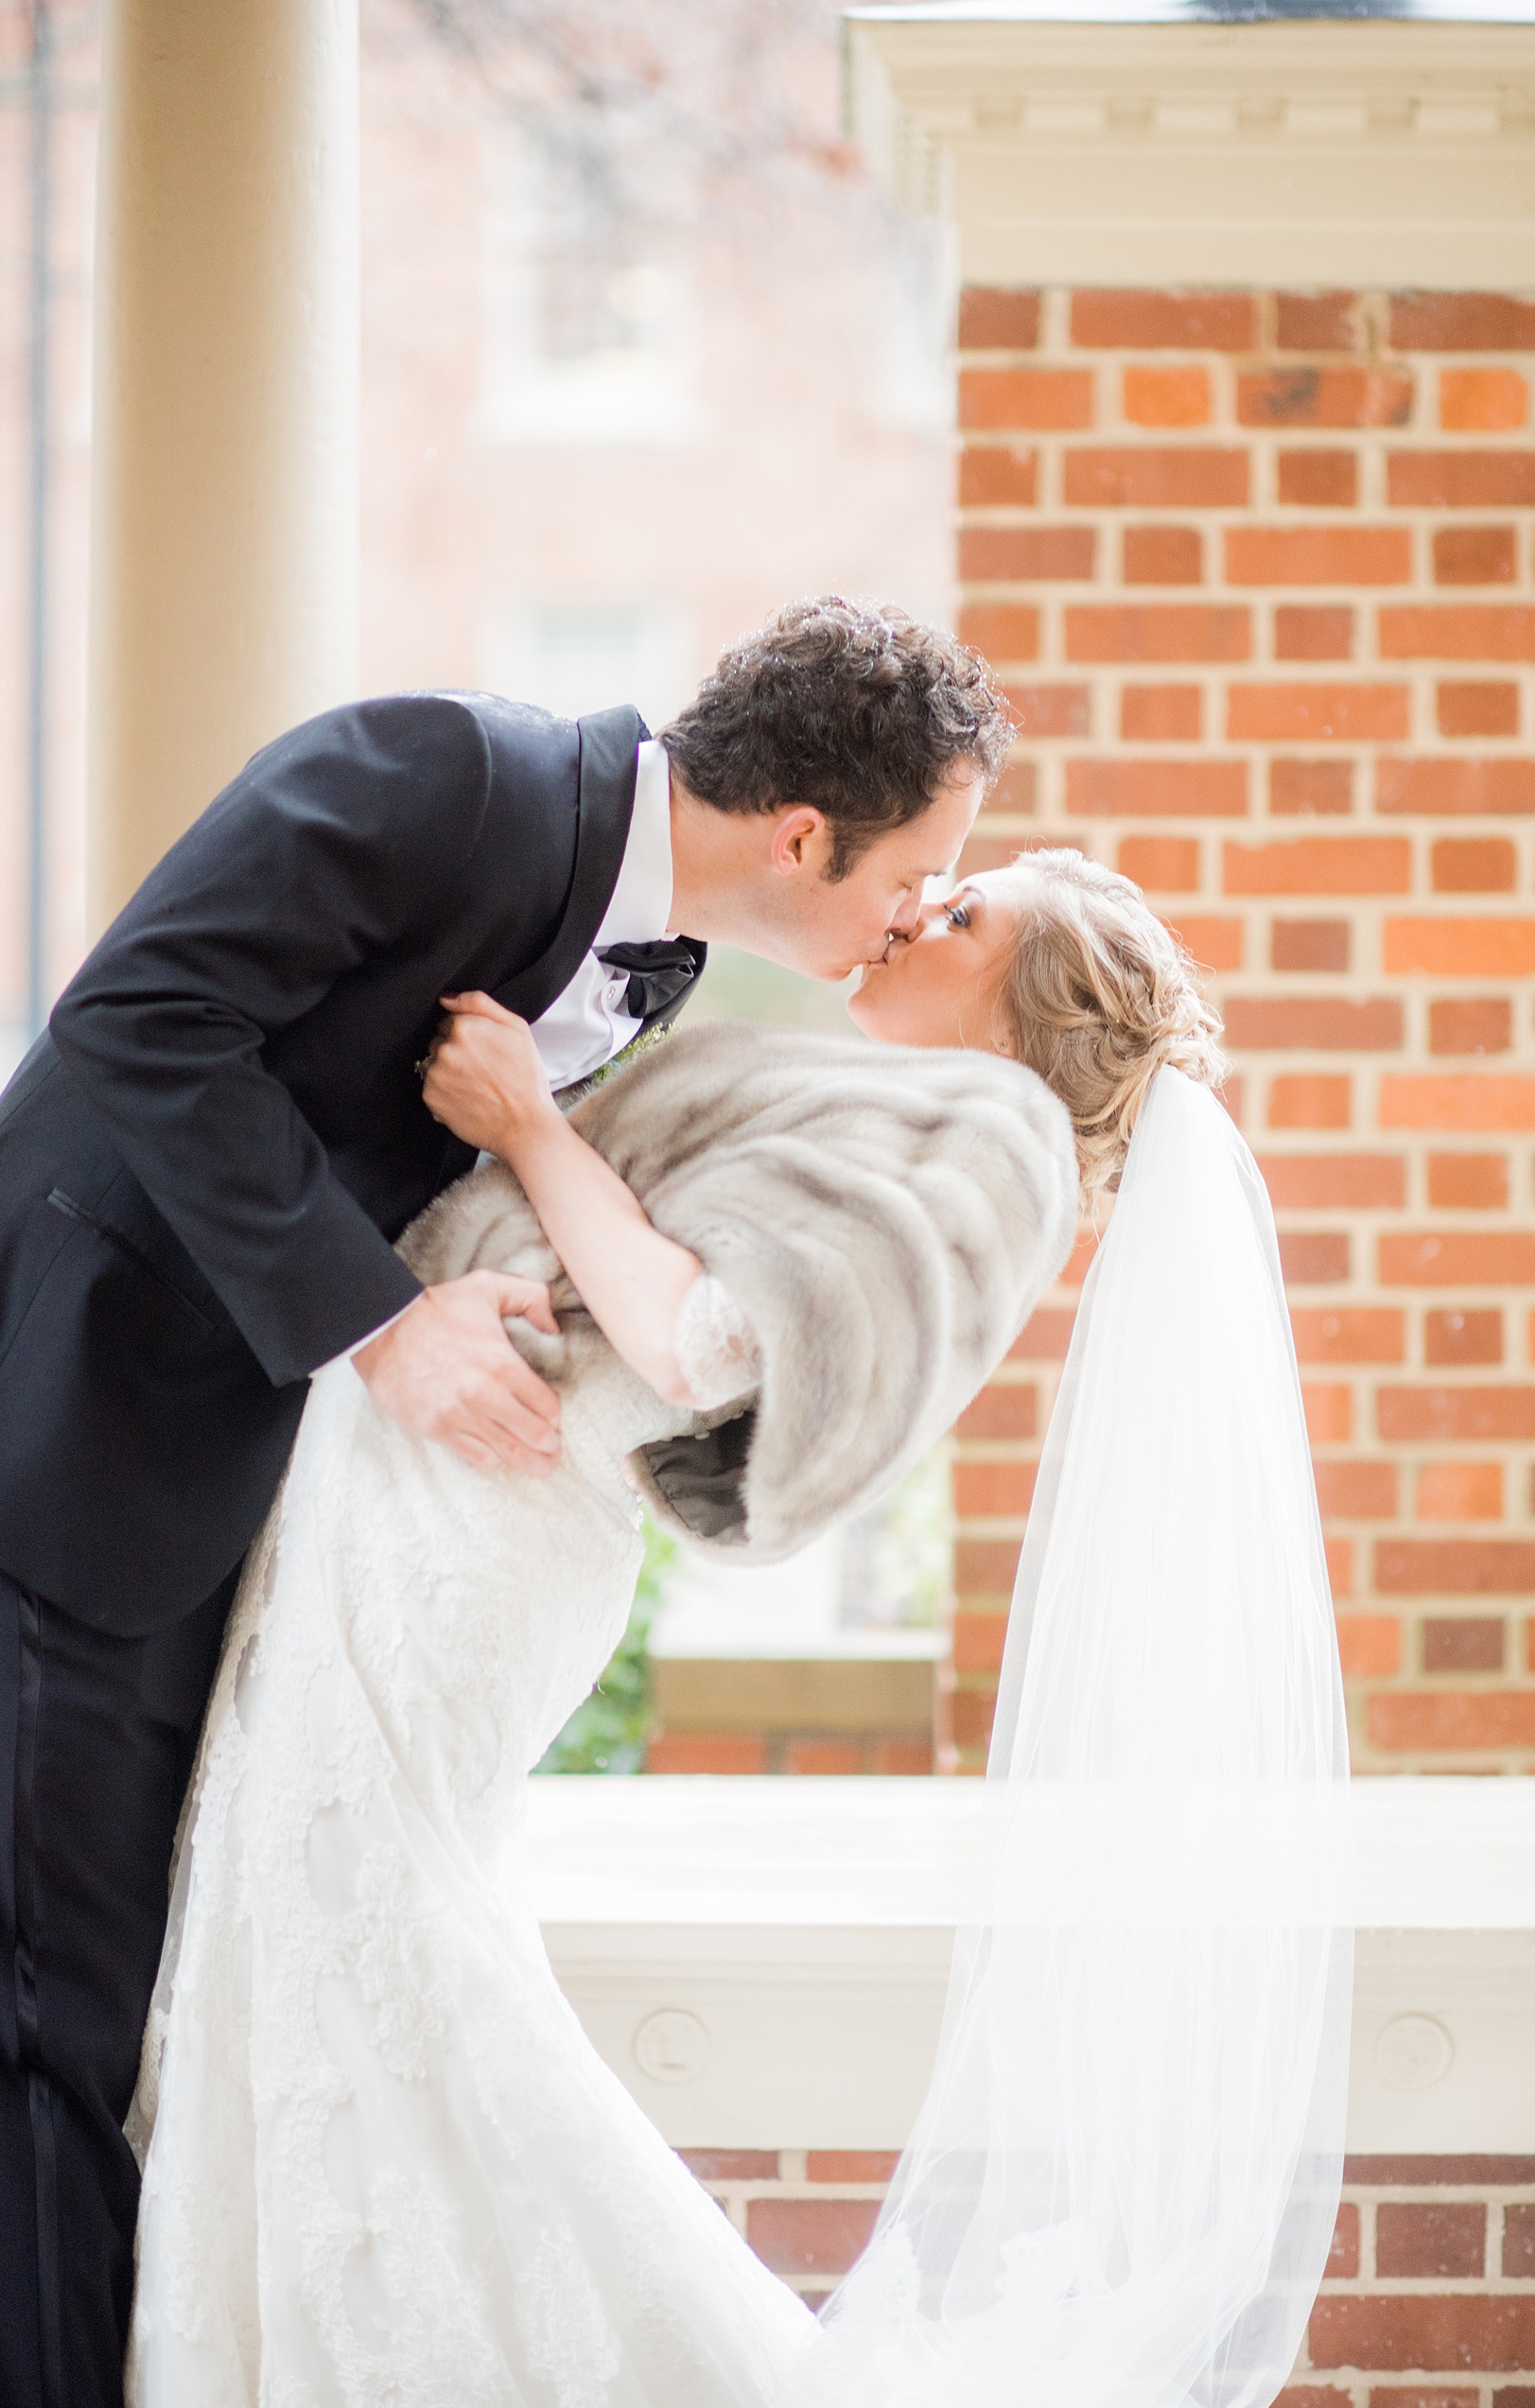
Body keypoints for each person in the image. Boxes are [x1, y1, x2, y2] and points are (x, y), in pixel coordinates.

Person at [127, 846, 1350, 2404]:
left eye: (964, 917)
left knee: (378, 1963)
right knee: (325, 1955)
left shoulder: (995, 1148)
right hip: (442, 1511)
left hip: (474, 1537)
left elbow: (701, 1345)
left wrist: (527, 1122)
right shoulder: (897, 1118)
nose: (916, 908)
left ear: (1023, 1023)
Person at [0, 597, 1008, 2408]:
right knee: (46, 2035)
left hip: (230, 1506)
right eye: (914, 871)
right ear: (805, 837)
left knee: (135, 2022)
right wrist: (380, 1327)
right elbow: (139, 1013)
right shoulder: (444, 771)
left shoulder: (667, 963)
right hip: (72, 1445)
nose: (913, 914)